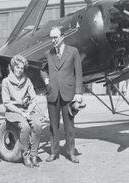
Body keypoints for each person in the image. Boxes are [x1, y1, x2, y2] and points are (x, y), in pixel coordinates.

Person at [40, 26, 83, 163]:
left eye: (55, 37)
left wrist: (78, 93)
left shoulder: (73, 51)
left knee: (69, 125)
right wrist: (47, 81)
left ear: (62, 37)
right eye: (51, 37)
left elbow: (78, 73)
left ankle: (71, 152)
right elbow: (42, 69)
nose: (53, 40)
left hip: (68, 93)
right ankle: (54, 152)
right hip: (53, 94)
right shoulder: (48, 53)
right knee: (53, 125)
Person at [2, 55, 42, 168]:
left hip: (26, 110)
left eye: (22, 68)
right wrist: (21, 113)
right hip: (13, 112)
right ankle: (26, 156)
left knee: (38, 125)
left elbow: (34, 98)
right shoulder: (6, 81)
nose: (19, 70)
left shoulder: (27, 81)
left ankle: (34, 155)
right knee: (25, 127)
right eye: (17, 67)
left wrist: (28, 111)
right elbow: (7, 103)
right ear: (13, 67)